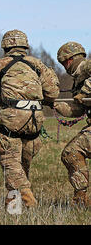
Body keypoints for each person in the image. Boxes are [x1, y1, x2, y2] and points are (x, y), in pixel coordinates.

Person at [0, 30, 59, 209]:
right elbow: (53, 92)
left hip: (13, 116)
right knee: (22, 163)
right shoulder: (37, 64)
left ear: (5, 47)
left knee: (9, 158)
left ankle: (27, 198)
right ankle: (13, 207)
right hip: (36, 118)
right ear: (25, 46)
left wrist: (10, 99)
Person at [54, 41, 90, 207]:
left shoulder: (87, 67)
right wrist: (52, 103)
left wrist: (84, 92)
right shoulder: (78, 81)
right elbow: (76, 110)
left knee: (71, 152)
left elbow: (83, 97)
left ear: (68, 60)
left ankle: (81, 199)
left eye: (64, 63)